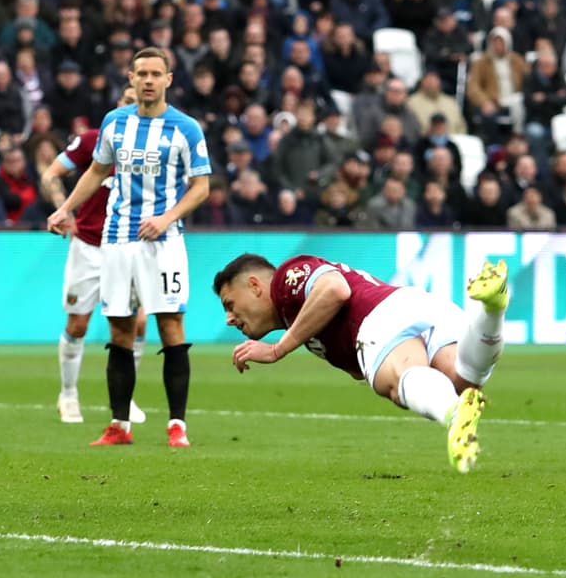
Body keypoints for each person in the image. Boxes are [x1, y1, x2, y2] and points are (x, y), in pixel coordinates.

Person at [212, 254, 510, 474]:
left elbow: (334, 289)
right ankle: (493, 309)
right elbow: (356, 368)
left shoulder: (285, 281)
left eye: (230, 305)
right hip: (417, 304)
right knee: (461, 380)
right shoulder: (301, 320)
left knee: (398, 382)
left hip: (380, 317)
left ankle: (456, 414)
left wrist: (278, 349)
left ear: (254, 286)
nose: (229, 318)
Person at [47, 48, 211, 447]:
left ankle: (177, 426)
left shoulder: (186, 128)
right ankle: (120, 425)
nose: (149, 80)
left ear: (169, 79)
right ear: (132, 78)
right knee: (120, 328)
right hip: (116, 240)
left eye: (157, 73)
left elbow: (201, 187)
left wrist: (167, 218)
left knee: (170, 326)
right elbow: (96, 171)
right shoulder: (114, 123)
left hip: (164, 241)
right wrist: (65, 208)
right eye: (142, 73)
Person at [38, 84, 148, 426]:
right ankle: (68, 394)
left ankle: (124, 396)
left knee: (138, 321)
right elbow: (51, 174)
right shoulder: (94, 140)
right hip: (88, 245)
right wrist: (63, 210)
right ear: (119, 104)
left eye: (139, 104)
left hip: (130, 246)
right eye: (128, 101)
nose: (133, 108)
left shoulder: (153, 146)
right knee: (79, 324)